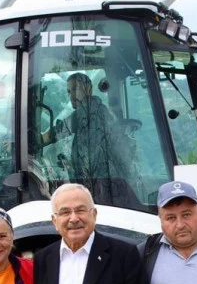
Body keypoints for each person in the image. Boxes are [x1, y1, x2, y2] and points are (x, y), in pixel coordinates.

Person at [42, 73, 131, 201]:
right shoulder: (101, 109)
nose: (71, 96)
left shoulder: (87, 111)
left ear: (88, 88)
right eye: (68, 91)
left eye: (75, 89)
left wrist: (33, 141)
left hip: (99, 184)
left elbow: (54, 134)